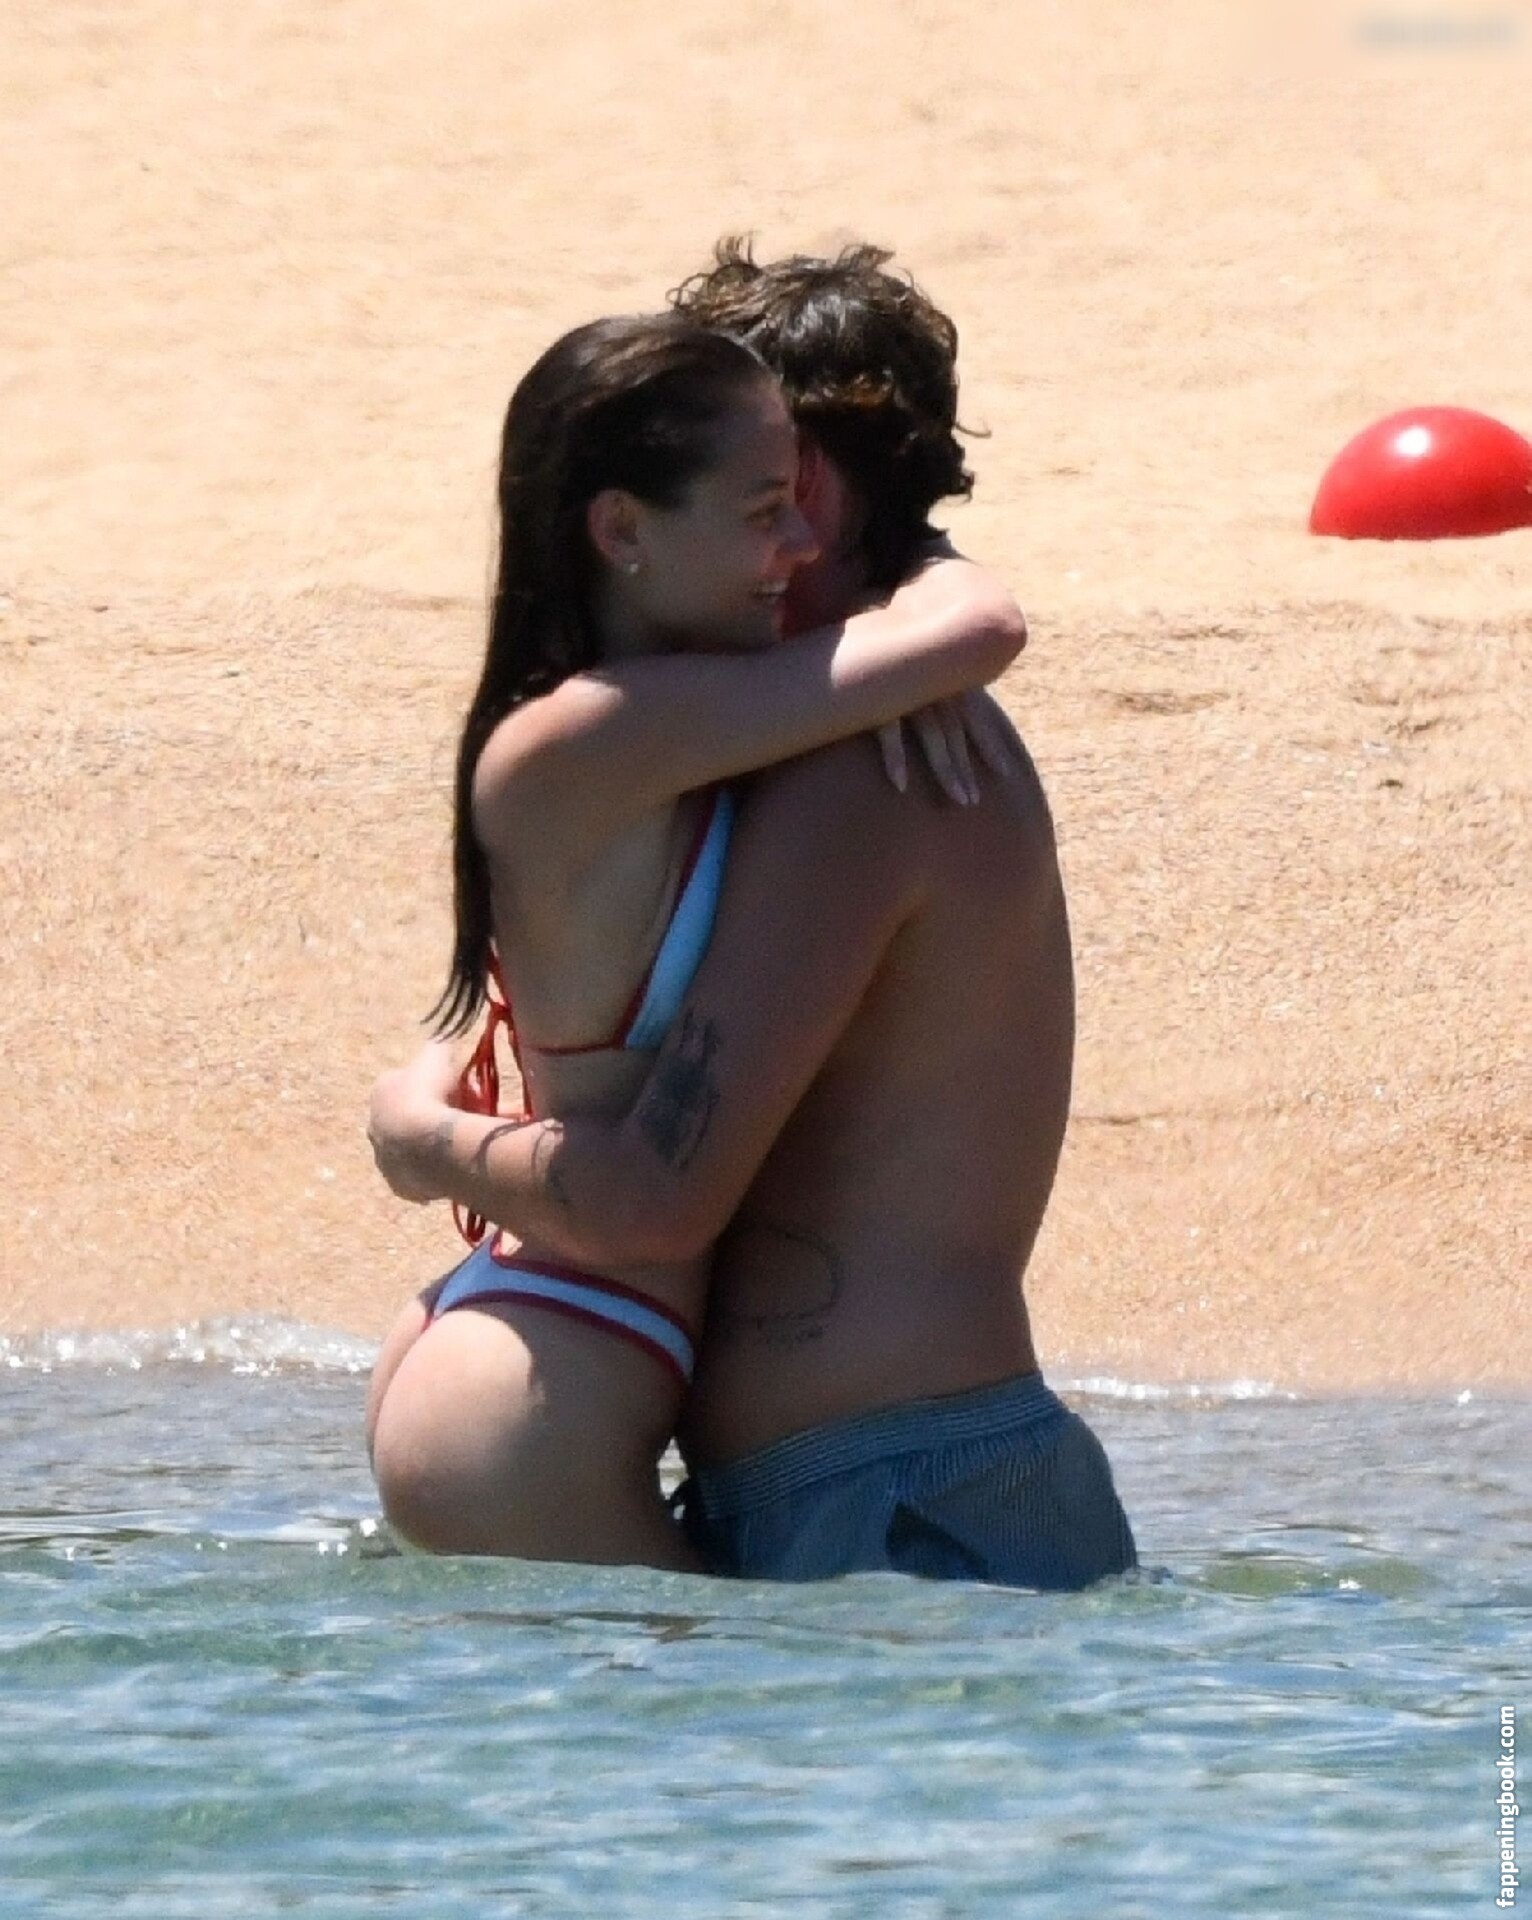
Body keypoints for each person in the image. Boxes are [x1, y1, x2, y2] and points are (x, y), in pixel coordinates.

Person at [370, 242, 1138, 1590]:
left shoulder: (868, 766)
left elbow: (662, 1190)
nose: (769, 537)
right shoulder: (817, 729)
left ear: (810, 482)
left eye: (772, 485)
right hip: (883, 1478)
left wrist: (422, 1140)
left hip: (902, 1494)